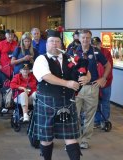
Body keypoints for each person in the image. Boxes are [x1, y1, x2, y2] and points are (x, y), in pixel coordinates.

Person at [32, 30, 91, 160]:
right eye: (51, 41)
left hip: (67, 103)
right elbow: (47, 77)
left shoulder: (69, 58)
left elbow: (85, 70)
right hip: (47, 104)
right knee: (46, 138)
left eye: (57, 41)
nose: (54, 44)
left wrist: (86, 77)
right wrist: (67, 84)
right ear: (46, 44)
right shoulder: (41, 59)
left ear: (61, 44)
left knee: (71, 137)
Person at [75, 30, 111, 149]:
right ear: (79, 38)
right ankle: (73, 140)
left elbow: (108, 65)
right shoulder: (73, 50)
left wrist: (103, 78)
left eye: (88, 38)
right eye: (83, 37)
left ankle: (85, 140)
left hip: (92, 87)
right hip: (76, 88)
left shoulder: (96, 52)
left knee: (90, 116)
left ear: (90, 38)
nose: (85, 40)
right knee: (74, 114)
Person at [91, 37, 113, 128]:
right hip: (95, 82)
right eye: (93, 44)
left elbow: (109, 67)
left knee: (105, 102)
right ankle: (96, 120)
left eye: (97, 44)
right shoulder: (90, 53)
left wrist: (104, 79)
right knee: (95, 102)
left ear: (100, 44)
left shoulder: (106, 53)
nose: (95, 46)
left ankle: (105, 120)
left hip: (106, 82)